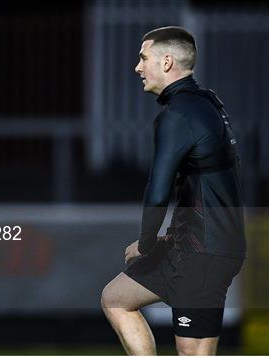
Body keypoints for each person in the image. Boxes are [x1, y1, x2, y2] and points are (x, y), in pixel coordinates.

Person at [101, 26, 246, 355]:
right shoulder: (204, 103)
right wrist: (168, 238)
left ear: (166, 62)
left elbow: (158, 191)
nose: (137, 67)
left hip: (205, 254)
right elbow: (204, 185)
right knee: (116, 299)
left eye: (143, 58)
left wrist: (147, 244)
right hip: (190, 245)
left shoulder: (178, 115)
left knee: (192, 353)